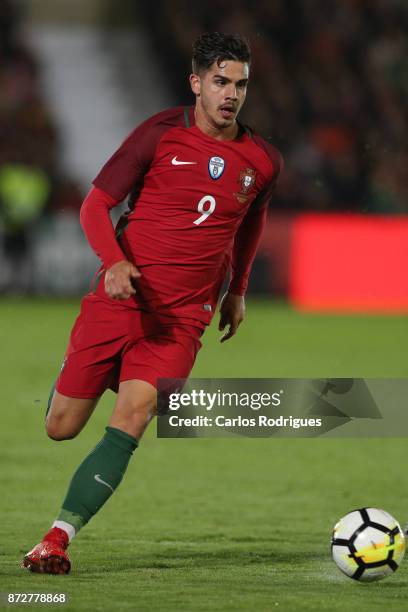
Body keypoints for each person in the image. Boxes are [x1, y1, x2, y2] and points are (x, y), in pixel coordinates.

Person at [22, 31, 283, 574]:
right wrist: (114, 262)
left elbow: (251, 222)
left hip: (184, 317)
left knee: (137, 413)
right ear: (196, 83)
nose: (231, 94)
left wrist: (237, 291)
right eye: (220, 82)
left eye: (240, 84)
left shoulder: (261, 159)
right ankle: (73, 376)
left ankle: (55, 539)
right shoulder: (159, 134)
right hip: (121, 299)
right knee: (61, 427)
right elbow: (96, 205)